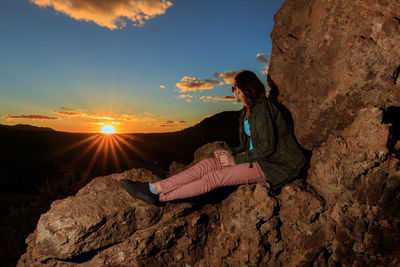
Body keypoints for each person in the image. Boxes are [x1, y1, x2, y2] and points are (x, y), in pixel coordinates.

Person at [120, 70, 307, 206]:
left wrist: (235, 160)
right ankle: (154, 189)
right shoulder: (247, 113)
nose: (233, 91)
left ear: (243, 89)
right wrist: (231, 152)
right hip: (259, 158)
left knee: (216, 177)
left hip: (275, 164)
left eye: (234, 87)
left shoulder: (263, 109)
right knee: (207, 165)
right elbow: (252, 145)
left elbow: (267, 148)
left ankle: (161, 198)